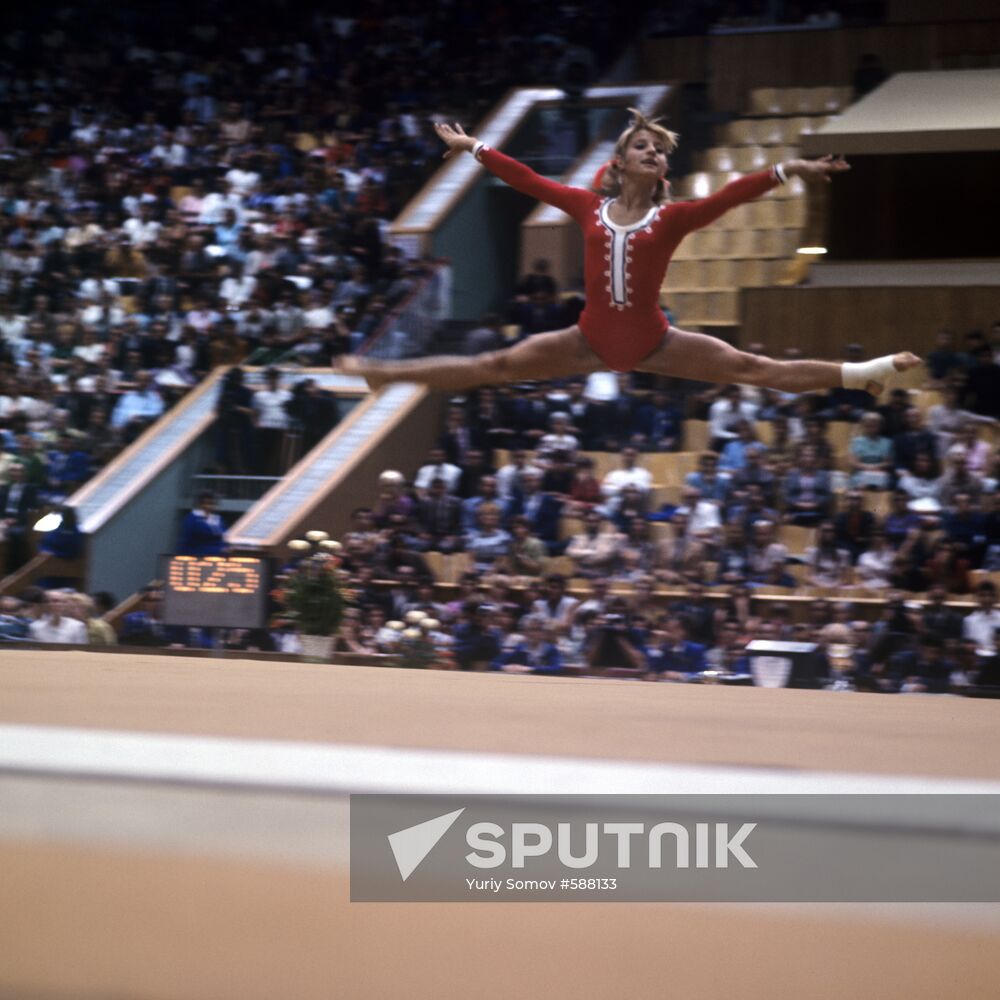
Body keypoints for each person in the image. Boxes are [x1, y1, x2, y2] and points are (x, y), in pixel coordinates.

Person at [341, 111, 919, 395]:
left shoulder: (673, 217)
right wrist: (475, 148)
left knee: (751, 368)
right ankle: (384, 373)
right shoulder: (584, 207)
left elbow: (731, 193)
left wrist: (787, 168)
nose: (653, 153)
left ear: (663, 170)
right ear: (618, 165)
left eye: (659, 150)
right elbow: (526, 180)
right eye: (642, 146)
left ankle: (863, 374)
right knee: (491, 366)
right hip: (587, 338)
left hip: (656, 342)